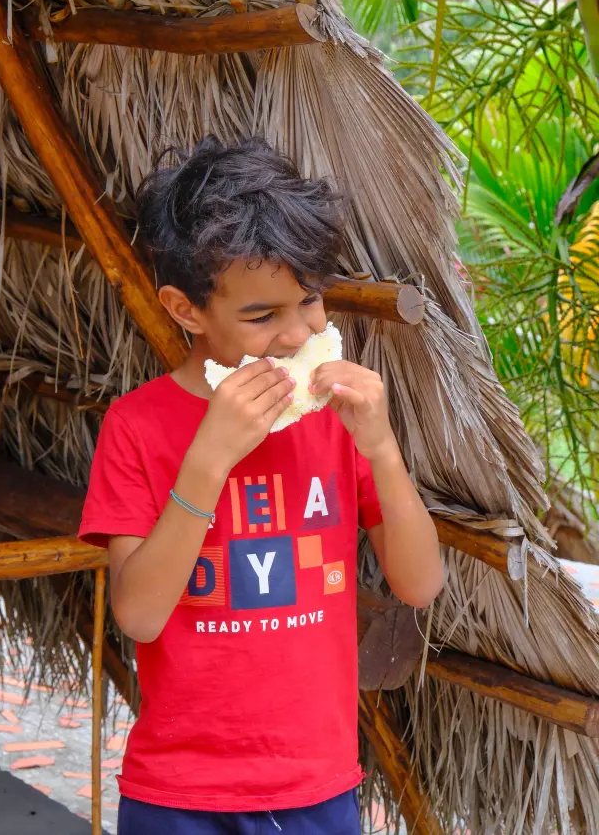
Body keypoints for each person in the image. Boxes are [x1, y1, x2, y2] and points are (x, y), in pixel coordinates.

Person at [79, 136, 445, 835]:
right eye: (261, 316)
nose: (295, 333)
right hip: (178, 793)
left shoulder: (342, 422)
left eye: (309, 302)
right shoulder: (137, 426)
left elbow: (419, 584)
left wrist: (382, 447)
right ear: (187, 311)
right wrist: (209, 458)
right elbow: (140, 617)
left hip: (317, 784)